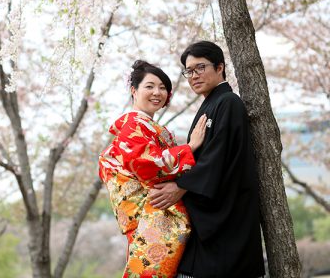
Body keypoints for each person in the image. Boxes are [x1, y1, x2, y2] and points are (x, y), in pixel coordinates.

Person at [149, 41, 265, 278]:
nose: (194, 76)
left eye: (200, 67)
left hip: (227, 213)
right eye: (189, 71)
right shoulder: (210, 104)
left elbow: (218, 157)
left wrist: (181, 186)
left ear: (220, 66)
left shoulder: (229, 103)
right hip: (209, 212)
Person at [99, 60, 207, 278]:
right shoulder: (133, 125)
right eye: (149, 86)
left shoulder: (148, 126)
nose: (157, 92)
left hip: (154, 210)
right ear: (134, 90)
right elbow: (147, 165)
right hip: (151, 213)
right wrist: (191, 147)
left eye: (163, 88)